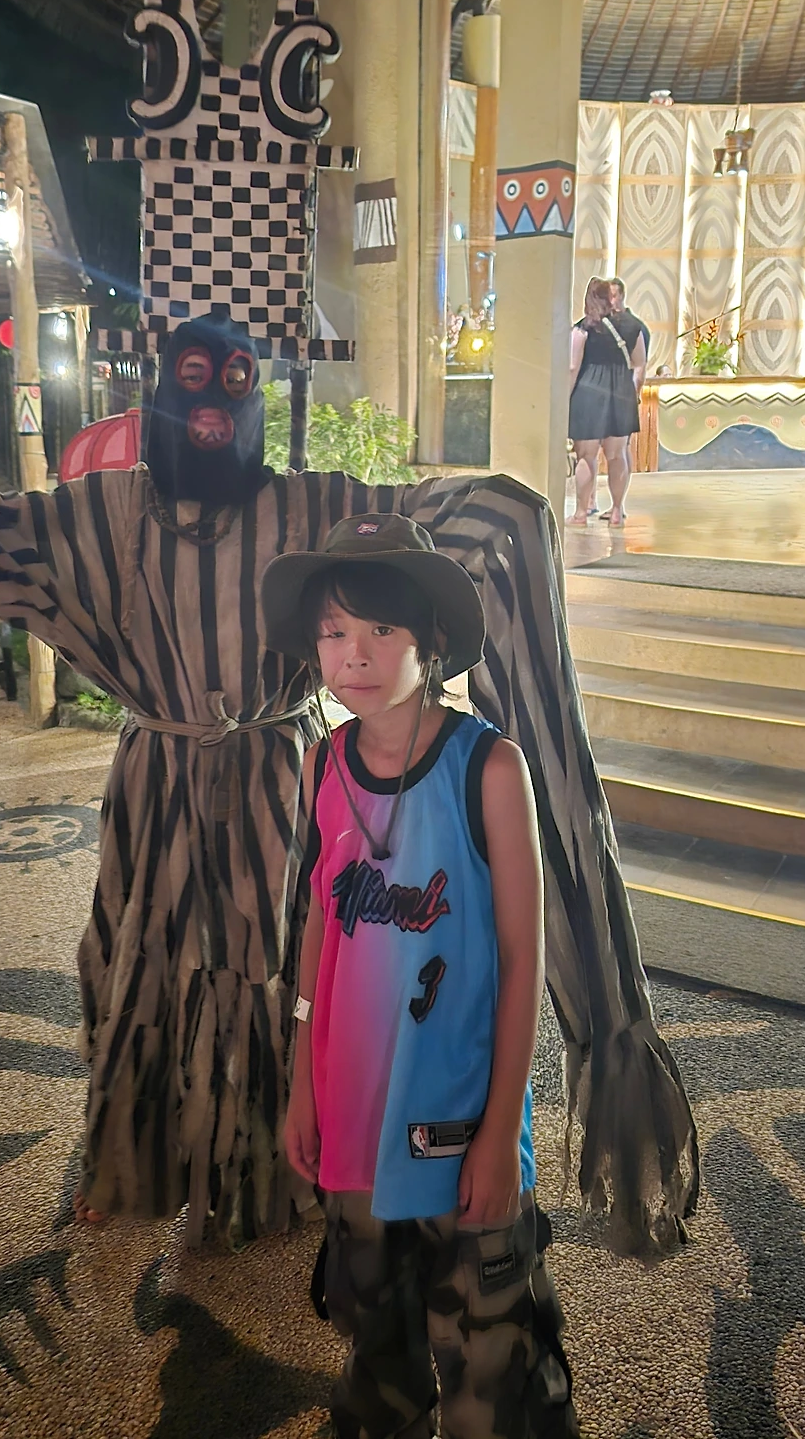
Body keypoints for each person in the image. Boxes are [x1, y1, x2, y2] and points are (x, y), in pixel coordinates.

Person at [0, 315, 697, 1262]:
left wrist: (509, 529)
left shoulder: (306, 509)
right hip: (159, 786)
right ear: (158, 389)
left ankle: (279, 1169)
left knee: (288, 967)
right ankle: (136, 1156)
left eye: (235, 382)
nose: (214, 405)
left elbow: (490, 522)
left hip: (280, 779)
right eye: (192, 377)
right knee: (145, 966)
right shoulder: (99, 518)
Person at [264, 512, 578, 1438]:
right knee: (376, 1343)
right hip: (353, 1108)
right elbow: (320, 928)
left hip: (458, 1117)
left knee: (495, 1360)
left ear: (429, 641)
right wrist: (302, 1083)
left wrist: (500, 1133)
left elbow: (521, 960)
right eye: (333, 632)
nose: (353, 655)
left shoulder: (489, 768)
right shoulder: (323, 764)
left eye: (379, 629)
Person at [568, 278, 646, 529]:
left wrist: (565, 399)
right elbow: (639, 365)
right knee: (617, 455)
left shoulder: (583, 327)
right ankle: (616, 511)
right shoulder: (633, 326)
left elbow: (572, 367)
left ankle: (581, 513)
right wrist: (632, 394)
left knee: (586, 457)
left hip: (588, 394)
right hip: (621, 394)